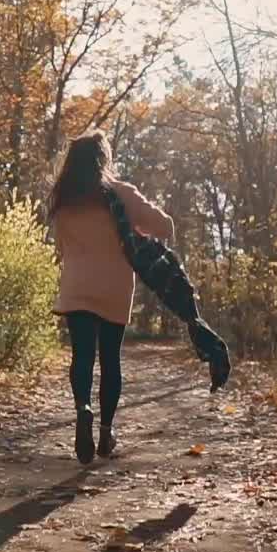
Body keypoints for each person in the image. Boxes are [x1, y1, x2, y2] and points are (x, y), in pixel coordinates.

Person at [47, 130, 175, 464]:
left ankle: (82, 409)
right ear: (105, 158)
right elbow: (165, 227)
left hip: (77, 285)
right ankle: (105, 433)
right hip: (114, 286)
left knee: (82, 357)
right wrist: (134, 230)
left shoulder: (64, 197)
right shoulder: (119, 193)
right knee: (110, 360)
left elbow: (60, 244)